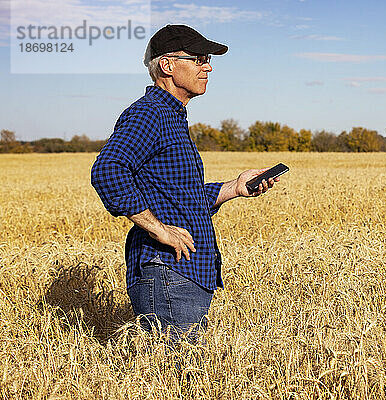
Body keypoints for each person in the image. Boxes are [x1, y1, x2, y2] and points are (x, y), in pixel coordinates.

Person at [91, 25, 278, 343]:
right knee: (175, 376)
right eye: (199, 59)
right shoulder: (149, 114)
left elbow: (181, 197)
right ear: (167, 65)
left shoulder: (171, 117)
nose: (208, 67)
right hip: (168, 271)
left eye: (207, 59)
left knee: (177, 374)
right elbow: (108, 171)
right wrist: (160, 230)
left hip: (184, 272)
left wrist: (235, 187)